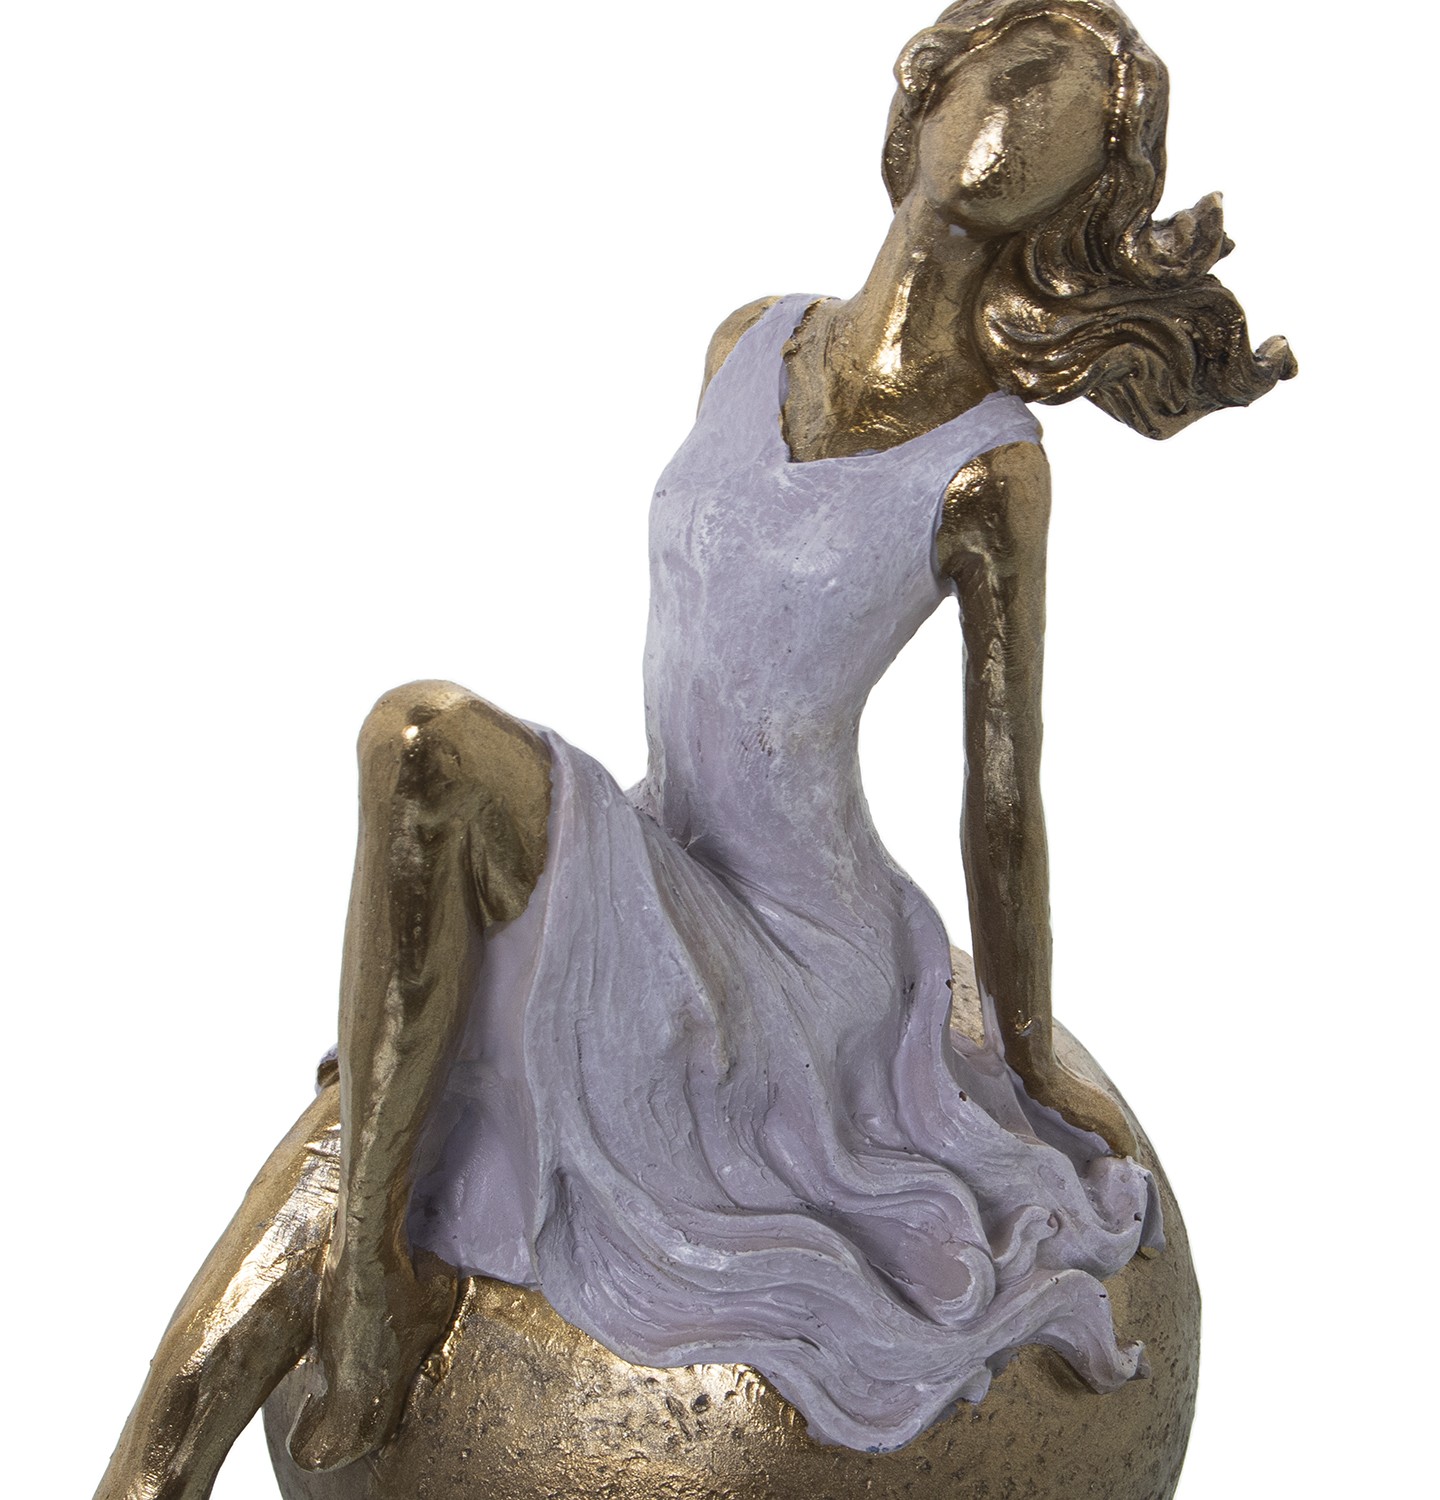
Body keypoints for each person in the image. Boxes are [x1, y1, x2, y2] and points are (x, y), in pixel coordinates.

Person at [96, 2, 1292, 1494]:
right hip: (662, 852)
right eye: (1012, 64)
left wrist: (1029, 1052)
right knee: (418, 898)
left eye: (1076, 111)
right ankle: (175, 1448)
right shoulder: (747, 340)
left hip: (800, 946)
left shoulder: (990, 468)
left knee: (425, 742)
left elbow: (1002, 796)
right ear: (926, 92)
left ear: (1082, 199)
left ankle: (361, 1301)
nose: (1024, 105)